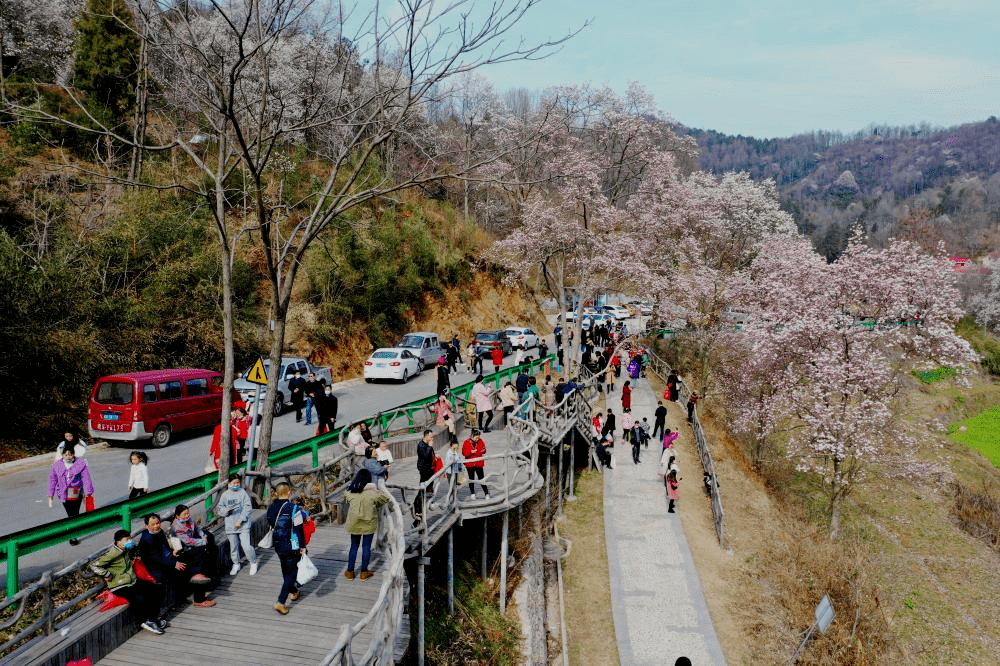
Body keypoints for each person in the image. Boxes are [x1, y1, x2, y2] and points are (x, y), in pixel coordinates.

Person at [91, 529, 167, 635]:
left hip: (132, 582)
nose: (130, 541)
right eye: (127, 540)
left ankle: (153, 618)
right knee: (139, 597)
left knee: (159, 588)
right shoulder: (113, 554)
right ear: (118, 542)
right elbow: (94, 565)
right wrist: (107, 574)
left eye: (130, 539)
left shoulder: (126, 550)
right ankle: (145, 621)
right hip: (120, 585)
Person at [139, 513, 215, 608]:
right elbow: (155, 559)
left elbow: (165, 548)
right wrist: (174, 563)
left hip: (169, 561)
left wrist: (173, 552)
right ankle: (199, 599)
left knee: (195, 557)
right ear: (147, 526)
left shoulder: (159, 532)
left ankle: (199, 590)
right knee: (193, 569)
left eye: (158, 523)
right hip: (159, 570)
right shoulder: (147, 539)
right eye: (153, 524)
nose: (156, 526)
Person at [343, 468, 390, 581]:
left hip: (354, 524)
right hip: (368, 524)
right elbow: (385, 498)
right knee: (366, 547)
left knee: (354, 546)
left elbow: (345, 495)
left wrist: (353, 487)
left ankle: (350, 572)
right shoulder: (373, 494)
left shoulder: (352, 494)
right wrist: (375, 489)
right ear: (369, 480)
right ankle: (364, 572)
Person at [267, 483, 306, 615]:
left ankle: (294, 591)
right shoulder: (294, 508)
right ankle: (280, 601)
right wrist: (303, 547)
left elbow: (272, 523)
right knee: (291, 573)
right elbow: (299, 530)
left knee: (285, 569)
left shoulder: (271, 508)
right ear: (289, 492)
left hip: (278, 544)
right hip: (292, 544)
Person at [47, 447, 94, 545]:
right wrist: (50, 495)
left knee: (75, 513)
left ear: (73, 454)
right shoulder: (57, 466)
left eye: (70, 454)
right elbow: (52, 480)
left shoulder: (80, 464)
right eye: (66, 454)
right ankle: (73, 534)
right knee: (70, 514)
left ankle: (73, 535)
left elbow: (86, 478)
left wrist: (88, 492)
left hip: (77, 492)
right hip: (63, 493)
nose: (68, 456)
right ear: (63, 455)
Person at [219, 473, 257, 576]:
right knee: (234, 546)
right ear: (229, 483)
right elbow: (220, 510)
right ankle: (236, 563)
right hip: (230, 525)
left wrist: (240, 520)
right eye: (234, 483)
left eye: (238, 483)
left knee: (246, 545)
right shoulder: (225, 495)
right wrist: (226, 511)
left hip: (243, 524)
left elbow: (248, 507)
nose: (236, 485)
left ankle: (253, 562)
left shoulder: (242, 492)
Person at [169, 504, 217, 584]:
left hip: (193, 538)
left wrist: (203, 536)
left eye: (188, 513)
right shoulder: (176, 527)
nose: (187, 515)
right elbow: (188, 541)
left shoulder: (189, 519)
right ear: (177, 515)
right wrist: (203, 541)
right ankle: (196, 573)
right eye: (184, 514)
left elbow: (197, 529)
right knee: (202, 550)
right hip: (185, 547)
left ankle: (207, 549)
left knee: (210, 537)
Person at [414, 430, 436, 521]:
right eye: (431, 437)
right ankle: (417, 509)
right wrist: (430, 447)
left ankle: (425, 504)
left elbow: (430, 455)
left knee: (428, 487)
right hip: (424, 469)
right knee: (422, 489)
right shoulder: (421, 445)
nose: (432, 438)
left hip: (429, 469)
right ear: (426, 436)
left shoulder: (426, 444)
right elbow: (425, 456)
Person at [462, 429, 489, 499]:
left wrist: (477, 452)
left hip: (478, 463)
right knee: (471, 479)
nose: (478, 439)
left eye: (478, 437)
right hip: (470, 464)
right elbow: (464, 453)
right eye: (476, 437)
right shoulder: (466, 442)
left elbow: (484, 450)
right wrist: (471, 451)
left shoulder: (481, 441)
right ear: (472, 436)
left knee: (481, 478)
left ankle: (486, 493)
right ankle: (472, 493)